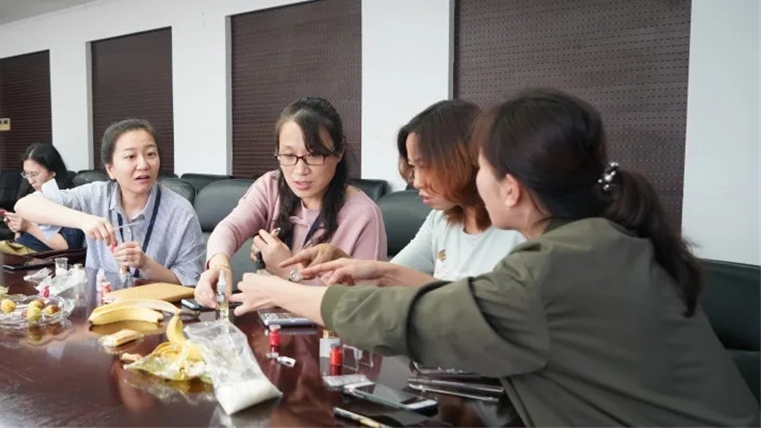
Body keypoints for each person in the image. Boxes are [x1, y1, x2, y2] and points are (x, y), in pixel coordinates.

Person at [230, 89, 760, 426]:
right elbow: (478, 304)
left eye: (480, 166)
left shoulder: (549, 268)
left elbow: (419, 318)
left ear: (511, 188)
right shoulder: (605, 241)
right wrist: (382, 270)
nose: (471, 179)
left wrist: (279, 289)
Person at [280, 99, 524, 285]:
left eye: (425, 166)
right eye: (413, 167)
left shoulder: (520, 233)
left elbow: (479, 309)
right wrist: (344, 263)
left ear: (462, 160)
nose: (416, 181)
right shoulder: (441, 220)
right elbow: (387, 277)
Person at [194, 97, 386, 307]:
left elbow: (363, 306)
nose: (300, 170)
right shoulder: (271, 185)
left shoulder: (363, 215)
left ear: (339, 152)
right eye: (288, 155)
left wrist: (289, 271)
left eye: (314, 155)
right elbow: (229, 228)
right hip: (266, 319)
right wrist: (219, 266)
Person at [15, 119, 205, 285]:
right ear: (110, 169)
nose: (143, 164)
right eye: (131, 156)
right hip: (101, 304)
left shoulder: (181, 212)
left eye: (150, 154)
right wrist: (83, 220)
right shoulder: (96, 195)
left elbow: (189, 281)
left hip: (156, 309)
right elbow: (24, 205)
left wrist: (146, 265)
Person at [3, 143, 84, 252]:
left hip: (41, 256)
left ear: (52, 172)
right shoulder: (31, 195)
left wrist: (29, 227)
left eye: (34, 174)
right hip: (20, 249)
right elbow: (19, 237)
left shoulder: (68, 199)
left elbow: (67, 245)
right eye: (26, 174)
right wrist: (17, 226)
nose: (30, 181)